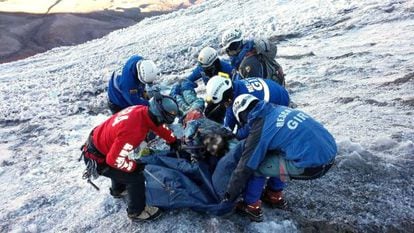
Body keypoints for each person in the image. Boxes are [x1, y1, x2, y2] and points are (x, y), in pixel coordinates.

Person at [222, 94, 337, 222]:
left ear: (241, 115)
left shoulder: (261, 128)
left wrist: (229, 196)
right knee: (277, 152)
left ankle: (251, 206)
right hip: (330, 152)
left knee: (256, 165)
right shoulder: (275, 109)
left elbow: (245, 167)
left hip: (314, 165)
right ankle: (273, 194)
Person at [80, 94, 182, 221]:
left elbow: (156, 125)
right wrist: (134, 166)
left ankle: (118, 189)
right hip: (98, 159)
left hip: (98, 146)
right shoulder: (134, 132)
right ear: (159, 117)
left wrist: (172, 140)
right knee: (135, 177)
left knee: (122, 162)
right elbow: (113, 161)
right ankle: (136, 211)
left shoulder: (142, 111)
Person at [204, 75, 290, 139]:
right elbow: (229, 117)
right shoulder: (235, 86)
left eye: (223, 102)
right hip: (277, 90)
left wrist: (233, 136)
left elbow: (250, 127)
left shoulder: (243, 99)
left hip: (281, 103)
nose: (224, 105)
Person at [221, 28, 285, 85]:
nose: (231, 52)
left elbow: (255, 89)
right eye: (228, 50)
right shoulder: (251, 50)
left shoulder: (248, 63)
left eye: (233, 46)